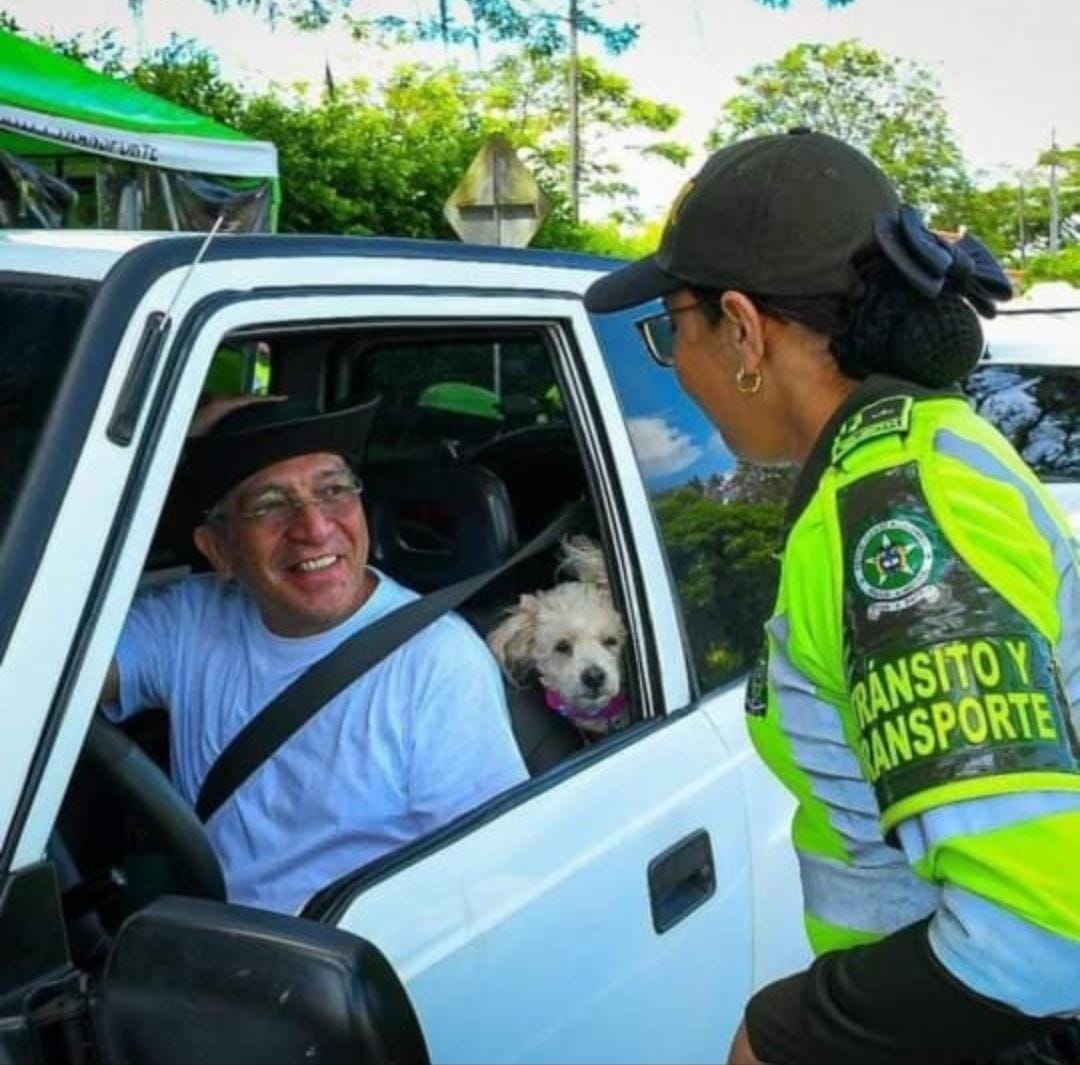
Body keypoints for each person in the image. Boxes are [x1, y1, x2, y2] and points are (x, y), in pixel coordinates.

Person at [585, 129, 1079, 1065]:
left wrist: (790, 1030)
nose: (676, 366)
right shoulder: (914, 445)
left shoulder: (896, 517)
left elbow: (1039, 925)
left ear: (742, 328)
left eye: (670, 330)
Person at [101, 394, 528, 916]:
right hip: (212, 943)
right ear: (219, 551)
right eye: (269, 505)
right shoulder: (187, 619)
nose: (314, 527)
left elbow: (488, 880)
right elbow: (35, 671)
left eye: (332, 491)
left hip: (345, 970)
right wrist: (152, 453)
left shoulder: (438, 662)